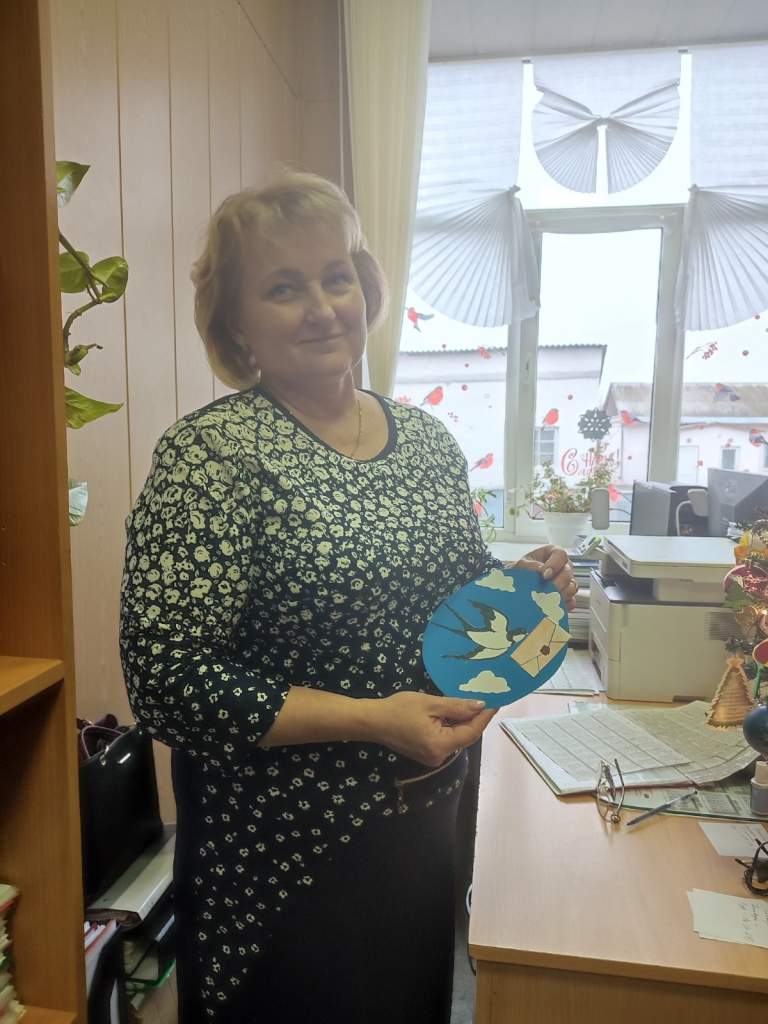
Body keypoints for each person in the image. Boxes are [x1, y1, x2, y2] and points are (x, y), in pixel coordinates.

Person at [119, 172, 578, 1023]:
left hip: (425, 821)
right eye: (283, 288)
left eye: (337, 277)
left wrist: (524, 583)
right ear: (237, 323)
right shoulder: (212, 457)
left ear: (366, 287)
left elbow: (454, 588)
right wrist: (371, 719)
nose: (322, 308)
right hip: (284, 858)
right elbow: (164, 681)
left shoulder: (427, 442)